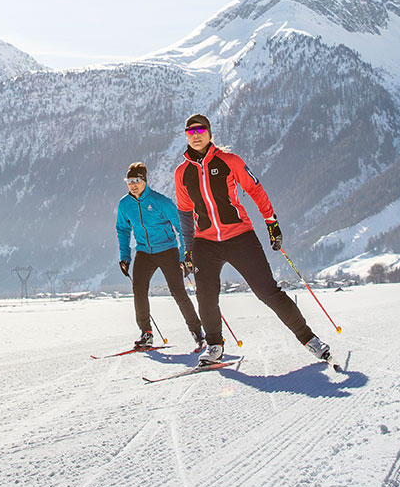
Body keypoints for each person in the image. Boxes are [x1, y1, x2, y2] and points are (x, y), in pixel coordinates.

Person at [173, 114, 331, 367]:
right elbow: (184, 213)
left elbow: (255, 189)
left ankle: (309, 339)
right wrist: (188, 250)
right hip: (205, 242)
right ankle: (214, 346)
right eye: (190, 131)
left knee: (267, 291)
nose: (196, 134)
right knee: (205, 295)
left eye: (201, 129)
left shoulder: (230, 161)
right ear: (186, 136)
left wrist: (272, 222)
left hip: (239, 236)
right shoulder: (182, 173)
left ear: (210, 133)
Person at [115, 161, 206, 350]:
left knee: (178, 291)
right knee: (139, 290)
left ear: (145, 181)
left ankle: (197, 332)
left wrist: (185, 255)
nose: (132, 185)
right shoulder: (125, 204)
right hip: (144, 252)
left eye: (136, 180)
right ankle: (146, 333)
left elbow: (182, 228)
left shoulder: (161, 202)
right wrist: (125, 257)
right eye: (129, 181)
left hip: (167, 250)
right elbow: (122, 230)